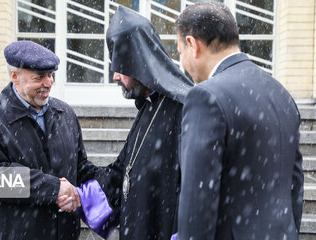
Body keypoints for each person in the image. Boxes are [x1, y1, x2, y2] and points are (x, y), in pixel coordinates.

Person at [59, 6, 193, 240]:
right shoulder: (149, 106)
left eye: (121, 68)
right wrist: (78, 188)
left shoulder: (185, 109)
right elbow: (121, 175)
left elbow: (197, 192)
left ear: (140, 63)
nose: (114, 76)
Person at [173, 2, 304, 240]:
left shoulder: (205, 97)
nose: (182, 63)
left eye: (180, 52)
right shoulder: (281, 94)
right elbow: (294, 187)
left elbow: (198, 200)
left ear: (193, 45)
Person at [0, 40, 98, 239]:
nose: (48, 83)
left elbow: (79, 169)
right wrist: (55, 189)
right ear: (14, 76)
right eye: (39, 77)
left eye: (51, 75)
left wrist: (110, 184)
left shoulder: (65, 114)